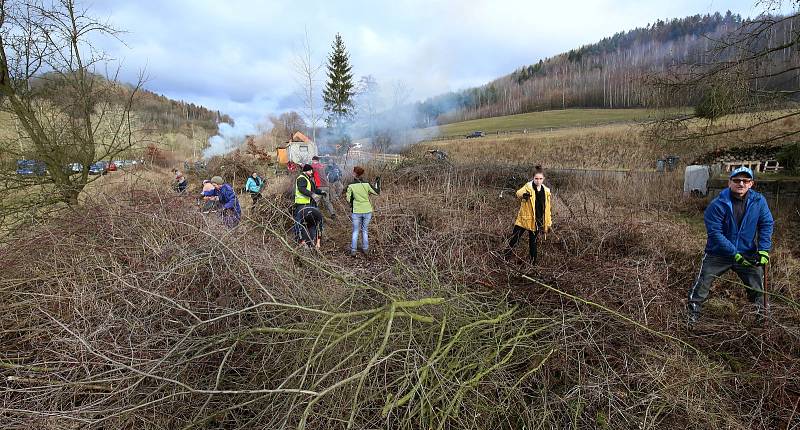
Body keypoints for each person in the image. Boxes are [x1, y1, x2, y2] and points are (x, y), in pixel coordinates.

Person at [687, 166, 774, 326]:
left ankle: (763, 321)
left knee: (758, 288)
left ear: (751, 183)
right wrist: (734, 254)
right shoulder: (717, 204)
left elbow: (766, 223)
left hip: (748, 253)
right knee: (703, 282)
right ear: (729, 183)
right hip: (718, 253)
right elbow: (715, 233)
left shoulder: (758, 201)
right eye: (736, 180)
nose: (741, 183)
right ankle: (692, 317)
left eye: (745, 180)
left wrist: (763, 250)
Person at [502, 165, 552, 265]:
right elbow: (518, 193)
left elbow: (547, 209)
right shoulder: (528, 187)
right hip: (524, 219)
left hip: (536, 221)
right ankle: (505, 257)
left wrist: (548, 223)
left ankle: (533, 264)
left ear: (544, 179)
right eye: (536, 178)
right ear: (533, 178)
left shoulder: (546, 191)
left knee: (533, 243)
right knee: (514, 239)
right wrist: (524, 195)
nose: (538, 181)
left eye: (540, 179)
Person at [346, 166, 380, 257]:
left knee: (355, 231)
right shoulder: (367, 184)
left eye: (353, 172)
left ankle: (353, 250)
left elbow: (348, 199)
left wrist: (353, 201)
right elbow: (377, 192)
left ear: (354, 173)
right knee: (365, 230)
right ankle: (365, 249)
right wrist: (377, 182)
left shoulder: (350, 185)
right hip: (367, 210)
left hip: (356, 211)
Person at [294, 164, 319, 241]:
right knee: (299, 222)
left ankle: (308, 238)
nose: (312, 172)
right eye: (310, 170)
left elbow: (312, 189)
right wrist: (312, 195)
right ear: (306, 171)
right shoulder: (301, 178)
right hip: (301, 204)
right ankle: (299, 238)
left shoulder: (307, 178)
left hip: (307, 203)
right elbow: (302, 189)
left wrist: (321, 192)